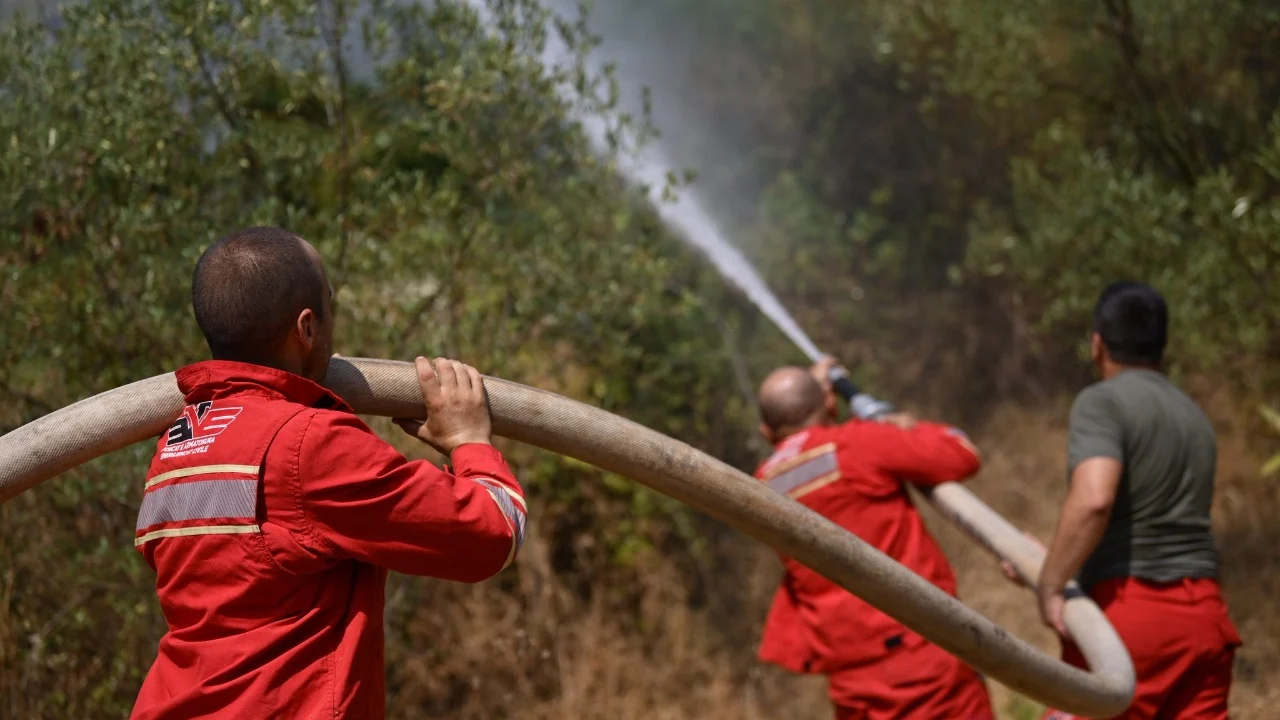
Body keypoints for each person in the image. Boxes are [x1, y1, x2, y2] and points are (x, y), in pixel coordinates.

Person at [130, 227, 527, 719]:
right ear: (307, 328)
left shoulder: (174, 448)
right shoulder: (309, 445)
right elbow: (490, 534)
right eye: (330, 305)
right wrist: (470, 440)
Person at [1033, 281, 1241, 720]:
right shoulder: (1194, 416)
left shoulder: (1102, 402)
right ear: (1161, 346)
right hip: (1206, 621)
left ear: (1097, 344)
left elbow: (1094, 499)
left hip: (1131, 619)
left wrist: (1050, 583)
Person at [752, 357, 994, 720]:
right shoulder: (857, 445)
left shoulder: (760, 486)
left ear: (765, 433)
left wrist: (817, 391)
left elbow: (800, 453)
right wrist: (904, 425)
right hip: (924, 661)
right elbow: (962, 455)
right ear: (831, 404)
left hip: (851, 683)